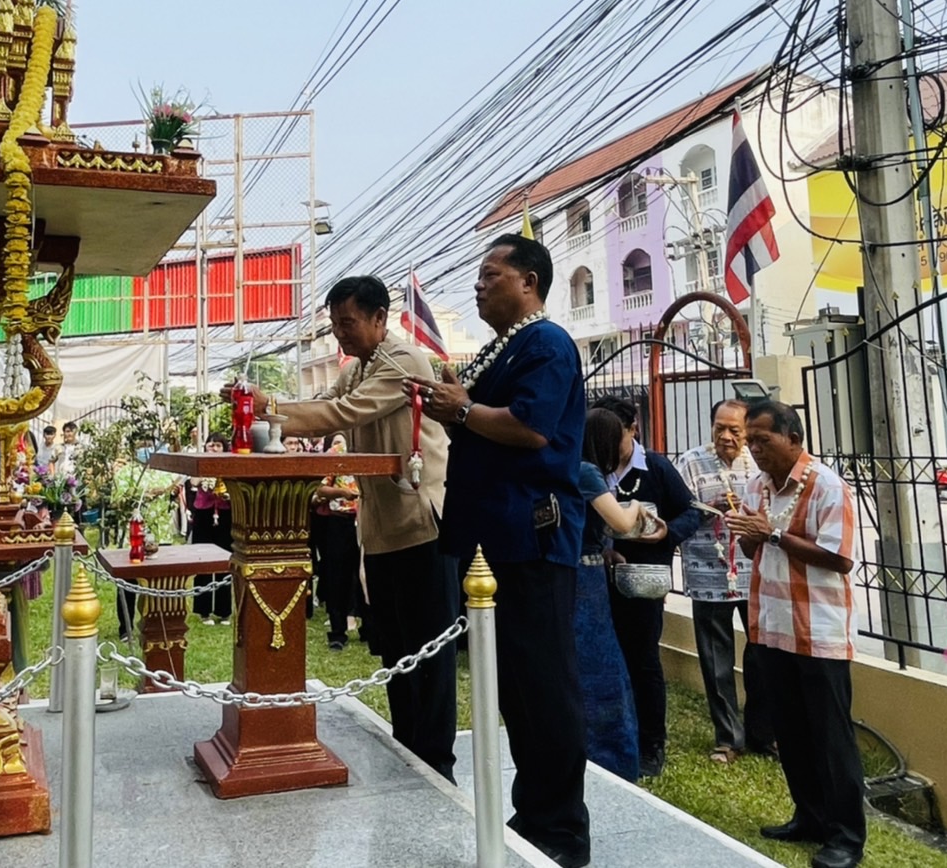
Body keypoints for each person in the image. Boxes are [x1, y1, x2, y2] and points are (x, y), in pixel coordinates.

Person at [411, 235, 590, 868]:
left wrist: (463, 410)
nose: (479, 285)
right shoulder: (507, 346)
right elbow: (482, 417)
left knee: (543, 683)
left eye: (491, 274)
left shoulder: (547, 343)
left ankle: (561, 828)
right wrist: (456, 404)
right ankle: (533, 811)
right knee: (516, 685)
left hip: (532, 537)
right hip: (497, 541)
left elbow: (532, 427)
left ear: (529, 282)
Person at [272, 274, 459, 779]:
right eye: (335, 325)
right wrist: (268, 407)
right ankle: (407, 748)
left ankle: (435, 762)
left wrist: (269, 411)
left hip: (421, 523)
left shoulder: (403, 361)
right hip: (378, 528)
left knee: (429, 650)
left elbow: (340, 413)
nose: (340, 334)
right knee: (394, 647)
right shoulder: (357, 368)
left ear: (380, 318)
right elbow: (324, 403)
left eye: (348, 323)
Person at [726, 401, 865, 868]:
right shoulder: (757, 486)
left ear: (794, 439)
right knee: (791, 730)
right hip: (772, 626)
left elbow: (840, 558)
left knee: (831, 736)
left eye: (763, 440)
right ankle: (809, 817)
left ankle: (846, 836)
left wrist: (771, 534)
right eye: (750, 440)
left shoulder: (827, 485)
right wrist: (747, 532)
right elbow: (754, 548)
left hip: (819, 631)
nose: (754, 448)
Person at [592, 395, 700, 779]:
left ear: (632, 429)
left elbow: (691, 512)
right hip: (598, 582)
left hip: (643, 582)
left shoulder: (655, 467)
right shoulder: (593, 467)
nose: (608, 445)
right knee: (606, 660)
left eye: (615, 437)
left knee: (643, 661)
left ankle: (651, 744)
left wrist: (667, 533)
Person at [674, 399, 775, 764]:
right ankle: (728, 738)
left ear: (748, 431)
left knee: (762, 656)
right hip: (708, 572)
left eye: (735, 430)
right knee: (715, 659)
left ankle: (763, 734)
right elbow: (678, 509)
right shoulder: (690, 462)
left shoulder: (759, 462)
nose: (726, 437)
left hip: (755, 573)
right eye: (720, 428)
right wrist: (709, 509)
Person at [578, 408, 668, 782]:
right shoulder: (587, 472)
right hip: (583, 583)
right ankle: (605, 754)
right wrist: (636, 507)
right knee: (598, 667)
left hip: (593, 573)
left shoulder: (584, 470)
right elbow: (619, 521)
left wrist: (606, 550)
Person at [313, 433, 364, 650]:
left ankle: (370, 629)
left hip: (368, 520)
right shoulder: (336, 454)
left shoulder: (369, 448)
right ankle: (337, 631)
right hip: (340, 520)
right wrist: (342, 492)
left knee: (367, 575)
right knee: (338, 576)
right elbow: (320, 488)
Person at [190, 438, 232, 624]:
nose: (214, 448)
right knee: (203, 560)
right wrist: (206, 469)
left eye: (218, 445)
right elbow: (194, 481)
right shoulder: (200, 462)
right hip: (204, 513)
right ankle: (204, 610)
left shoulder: (230, 465)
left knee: (225, 560)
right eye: (211, 445)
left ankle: (224, 611)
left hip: (224, 512)